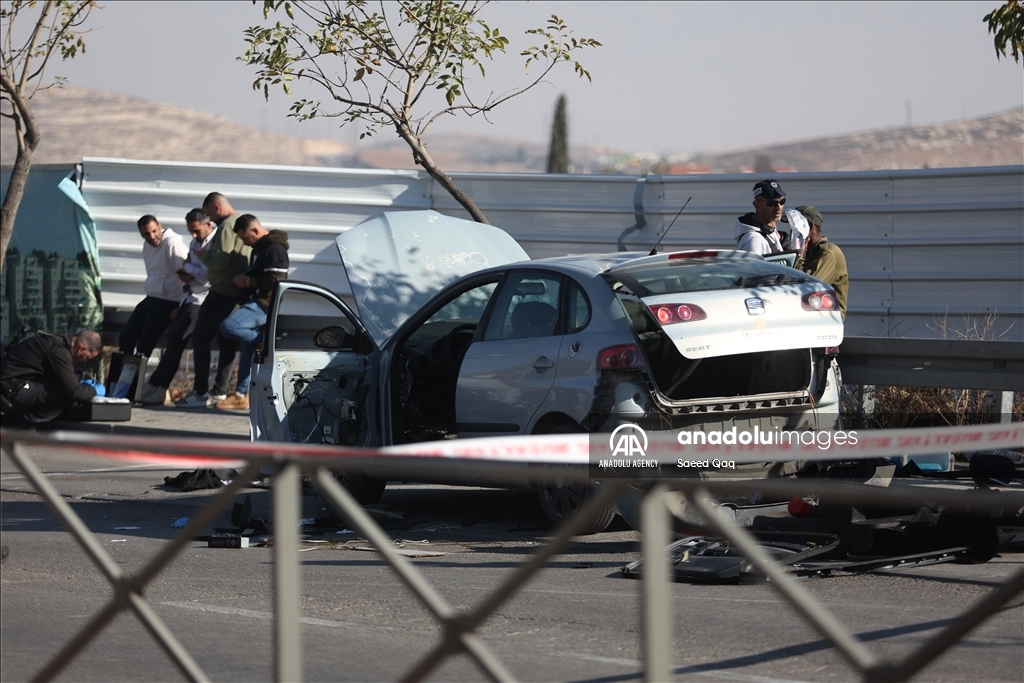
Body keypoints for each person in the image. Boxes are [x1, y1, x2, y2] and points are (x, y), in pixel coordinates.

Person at [177, 192, 251, 408]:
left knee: (201, 336)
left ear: (217, 208)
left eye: (209, 214)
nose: (210, 219)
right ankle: (219, 391)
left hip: (222, 290)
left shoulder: (227, 226)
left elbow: (220, 260)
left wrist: (206, 257)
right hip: (235, 291)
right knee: (225, 341)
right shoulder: (242, 221)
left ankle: (201, 391)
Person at [139, 209, 217, 406]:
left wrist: (189, 268)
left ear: (208, 225)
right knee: (174, 341)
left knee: (177, 340)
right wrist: (189, 270)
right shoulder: (195, 243)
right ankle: (159, 387)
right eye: (190, 231)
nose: (193, 235)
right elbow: (193, 269)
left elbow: (207, 275)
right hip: (189, 296)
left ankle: (156, 383)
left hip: (203, 299)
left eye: (197, 230)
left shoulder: (215, 243)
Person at [215, 214, 289, 411]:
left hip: (264, 304)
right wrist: (243, 278)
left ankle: (264, 339)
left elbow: (276, 280)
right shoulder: (260, 248)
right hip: (255, 300)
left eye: (246, 238)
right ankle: (241, 394)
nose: (245, 243)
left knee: (229, 326)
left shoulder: (274, 248)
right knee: (248, 346)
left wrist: (247, 281)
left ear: (255, 230)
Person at [1, 330, 103, 428]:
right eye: (87, 357)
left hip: (10, 385)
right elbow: (73, 390)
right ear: (82, 349)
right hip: (9, 389)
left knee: (57, 386)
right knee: (62, 392)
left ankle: (13, 422)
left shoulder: (57, 341)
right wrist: (94, 391)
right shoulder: (59, 350)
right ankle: (22, 428)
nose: (84, 361)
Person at [118, 215, 188, 357]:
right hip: (152, 297)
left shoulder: (172, 243)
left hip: (170, 300)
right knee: (125, 337)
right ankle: (125, 371)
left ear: (160, 226)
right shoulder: (147, 245)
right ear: (141, 234)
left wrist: (183, 306)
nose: (152, 236)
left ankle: (137, 371)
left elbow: (188, 276)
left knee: (144, 344)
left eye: (154, 231)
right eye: (146, 234)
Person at [794, 205, 849, 320]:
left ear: (809, 227)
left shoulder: (828, 253)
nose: (792, 232)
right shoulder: (812, 252)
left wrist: (799, 256)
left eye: (796, 227)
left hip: (827, 321)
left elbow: (808, 287)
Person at [735, 179, 787, 255]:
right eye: (772, 203)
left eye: (782, 201)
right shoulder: (754, 240)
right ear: (757, 205)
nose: (779, 207)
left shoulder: (770, 231)